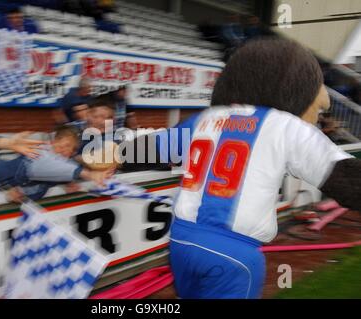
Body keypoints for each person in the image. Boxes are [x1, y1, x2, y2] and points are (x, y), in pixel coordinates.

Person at [128, 38, 361, 298]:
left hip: (181, 241)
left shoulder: (206, 118)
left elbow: (149, 148)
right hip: (233, 252)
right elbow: (346, 177)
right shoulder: (284, 125)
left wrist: (111, 153)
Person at [0, 125, 113, 201]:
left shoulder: (61, 164)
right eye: (65, 145)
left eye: (72, 149)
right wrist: (89, 175)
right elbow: (43, 167)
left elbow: (55, 171)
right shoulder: (41, 152)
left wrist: (68, 181)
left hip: (4, 188)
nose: (67, 151)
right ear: (53, 142)